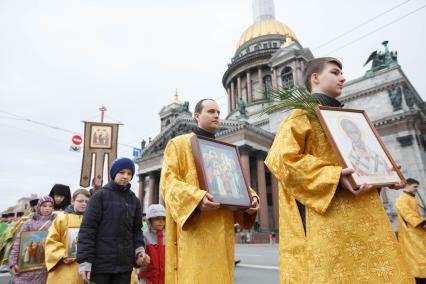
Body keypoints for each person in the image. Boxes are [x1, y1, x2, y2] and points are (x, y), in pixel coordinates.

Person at [264, 57, 413, 283]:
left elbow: (361, 160)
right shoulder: (301, 115)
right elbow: (281, 159)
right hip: (331, 220)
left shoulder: (350, 119)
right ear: (315, 78)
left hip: (367, 215)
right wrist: (333, 176)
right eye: (334, 72)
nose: (343, 78)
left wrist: (385, 173)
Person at [160, 98, 260, 283]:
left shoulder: (224, 150)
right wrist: (196, 198)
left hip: (223, 232)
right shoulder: (179, 144)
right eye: (211, 111)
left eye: (218, 112)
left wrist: (251, 199)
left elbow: (236, 182)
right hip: (196, 232)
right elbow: (168, 183)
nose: (216, 116)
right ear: (197, 116)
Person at [77, 157, 149, 284]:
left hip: (124, 266)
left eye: (129, 173)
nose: (125, 176)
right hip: (100, 266)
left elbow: (137, 230)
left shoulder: (134, 201)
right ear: (114, 173)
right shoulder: (100, 196)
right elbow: (87, 230)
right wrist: (85, 261)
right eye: (122, 172)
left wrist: (139, 250)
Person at [45, 188, 90, 284]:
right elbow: (51, 241)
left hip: (87, 266)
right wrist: (62, 255)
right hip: (65, 267)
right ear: (72, 201)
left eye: (87, 201)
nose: (84, 204)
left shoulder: (92, 220)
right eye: (80, 201)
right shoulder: (61, 218)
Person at [8, 196, 55, 284]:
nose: (47, 208)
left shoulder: (55, 223)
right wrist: (13, 262)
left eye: (50, 206)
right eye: (44, 206)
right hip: (27, 268)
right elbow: (18, 242)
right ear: (39, 207)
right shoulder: (29, 222)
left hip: (44, 267)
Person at [395, 178, 426, 283]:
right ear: (407, 185)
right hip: (411, 233)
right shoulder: (402, 199)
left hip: (418, 232)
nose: (416, 189)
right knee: (416, 257)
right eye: (415, 187)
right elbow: (407, 213)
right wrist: (422, 223)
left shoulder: (413, 198)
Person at [137, 204, 166, 284]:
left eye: (163, 219)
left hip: (164, 279)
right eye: (157, 218)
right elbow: (139, 256)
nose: (161, 222)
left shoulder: (167, 236)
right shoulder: (144, 236)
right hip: (148, 280)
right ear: (150, 220)